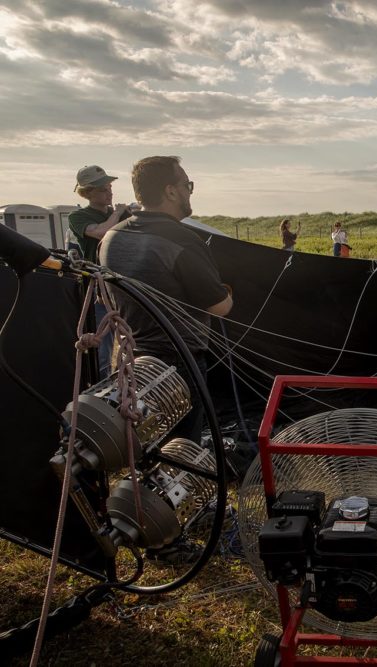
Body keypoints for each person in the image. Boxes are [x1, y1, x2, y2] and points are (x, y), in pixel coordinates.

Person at [100, 156, 232, 564]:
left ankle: (144, 517)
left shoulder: (112, 237)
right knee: (179, 449)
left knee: (144, 447)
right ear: (171, 191)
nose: (191, 191)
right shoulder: (182, 239)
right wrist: (227, 290)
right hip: (179, 362)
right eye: (187, 184)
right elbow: (220, 304)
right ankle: (165, 539)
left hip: (129, 360)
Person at [69, 165, 134, 375]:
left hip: (122, 286)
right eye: (102, 189)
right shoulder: (78, 217)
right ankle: (102, 390)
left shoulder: (122, 214)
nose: (109, 192)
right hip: (99, 290)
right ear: (87, 193)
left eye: (109, 187)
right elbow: (101, 233)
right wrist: (117, 213)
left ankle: (127, 384)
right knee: (102, 346)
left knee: (132, 341)